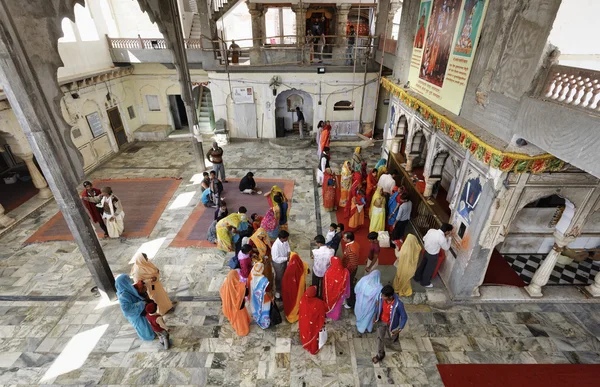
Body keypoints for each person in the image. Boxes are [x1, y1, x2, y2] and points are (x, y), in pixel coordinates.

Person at [372, 285, 408, 364]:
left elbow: (404, 317)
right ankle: (380, 354)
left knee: (392, 335)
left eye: (383, 296)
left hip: (392, 324)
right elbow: (378, 307)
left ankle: (395, 338)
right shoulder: (381, 298)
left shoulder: (399, 305)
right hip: (381, 321)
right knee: (379, 338)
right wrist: (375, 315)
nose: (381, 296)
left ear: (390, 297)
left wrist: (399, 329)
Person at [115, 274, 155, 341]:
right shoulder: (123, 296)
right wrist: (141, 303)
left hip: (139, 312)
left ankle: (151, 334)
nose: (130, 282)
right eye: (128, 280)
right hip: (135, 315)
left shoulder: (127, 288)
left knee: (146, 324)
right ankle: (147, 337)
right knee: (142, 326)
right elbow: (127, 310)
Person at [414, 223, 453, 287]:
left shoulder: (431, 230)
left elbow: (424, 239)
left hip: (426, 251)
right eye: (449, 232)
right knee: (429, 269)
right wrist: (449, 239)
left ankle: (417, 277)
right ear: (446, 231)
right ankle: (425, 282)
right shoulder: (442, 238)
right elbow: (446, 248)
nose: (449, 233)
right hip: (433, 255)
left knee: (422, 265)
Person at [220, 270, 251, 336]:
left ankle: (237, 327)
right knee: (241, 319)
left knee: (237, 321)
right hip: (240, 307)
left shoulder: (224, 286)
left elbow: (222, 294)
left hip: (230, 307)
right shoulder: (241, 286)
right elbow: (247, 293)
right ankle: (243, 330)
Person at [299, 285, 327, 355]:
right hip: (314, 324)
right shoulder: (319, 303)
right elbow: (322, 313)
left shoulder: (303, 299)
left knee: (306, 333)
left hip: (304, 322)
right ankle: (313, 349)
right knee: (314, 335)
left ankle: (306, 343)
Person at [281, 252, 309, 323]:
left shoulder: (290, 268)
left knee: (293, 301)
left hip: (293, 289)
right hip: (300, 287)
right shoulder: (300, 264)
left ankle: (292, 315)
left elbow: (286, 281)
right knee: (298, 299)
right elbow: (306, 267)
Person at [355, 269, 382, 334]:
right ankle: (368, 328)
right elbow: (378, 301)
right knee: (368, 318)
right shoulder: (379, 288)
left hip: (360, 303)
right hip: (370, 306)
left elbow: (356, 289)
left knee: (360, 315)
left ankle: (360, 328)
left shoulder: (363, 280)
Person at [323, 256, 350, 320]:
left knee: (329, 304)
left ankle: (328, 314)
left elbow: (325, 286)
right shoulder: (346, 272)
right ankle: (335, 316)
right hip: (340, 294)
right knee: (337, 306)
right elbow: (347, 284)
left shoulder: (327, 273)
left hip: (330, 294)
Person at [249, 227, 274, 292]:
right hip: (257, 259)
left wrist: (266, 255)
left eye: (263, 237)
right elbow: (250, 250)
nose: (261, 238)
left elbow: (268, 247)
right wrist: (255, 253)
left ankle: (268, 285)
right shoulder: (252, 240)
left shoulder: (265, 238)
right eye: (260, 237)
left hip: (265, 259)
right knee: (260, 273)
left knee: (267, 273)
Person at [249, 262, 272, 329]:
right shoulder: (264, 280)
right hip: (264, 299)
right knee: (265, 309)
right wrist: (272, 298)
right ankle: (265, 323)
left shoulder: (251, 274)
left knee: (256, 307)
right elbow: (267, 291)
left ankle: (257, 318)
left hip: (254, 297)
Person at [271, 230, 291, 298]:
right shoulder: (275, 246)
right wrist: (286, 258)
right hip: (278, 263)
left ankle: (284, 286)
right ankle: (278, 291)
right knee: (279, 277)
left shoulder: (285, 241)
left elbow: (288, 247)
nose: (287, 239)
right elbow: (276, 258)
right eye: (286, 238)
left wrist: (288, 254)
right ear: (282, 238)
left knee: (284, 274)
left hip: (284, 260)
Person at [342, 231, 359, 309]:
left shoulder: (351, 250)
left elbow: (353, 264)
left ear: (348, 240)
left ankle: (351, 302)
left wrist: (347, 272)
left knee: (350, 286)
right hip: (349, 268)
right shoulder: (354, 244)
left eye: (344, 238)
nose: (343, 239)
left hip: (350, 270)